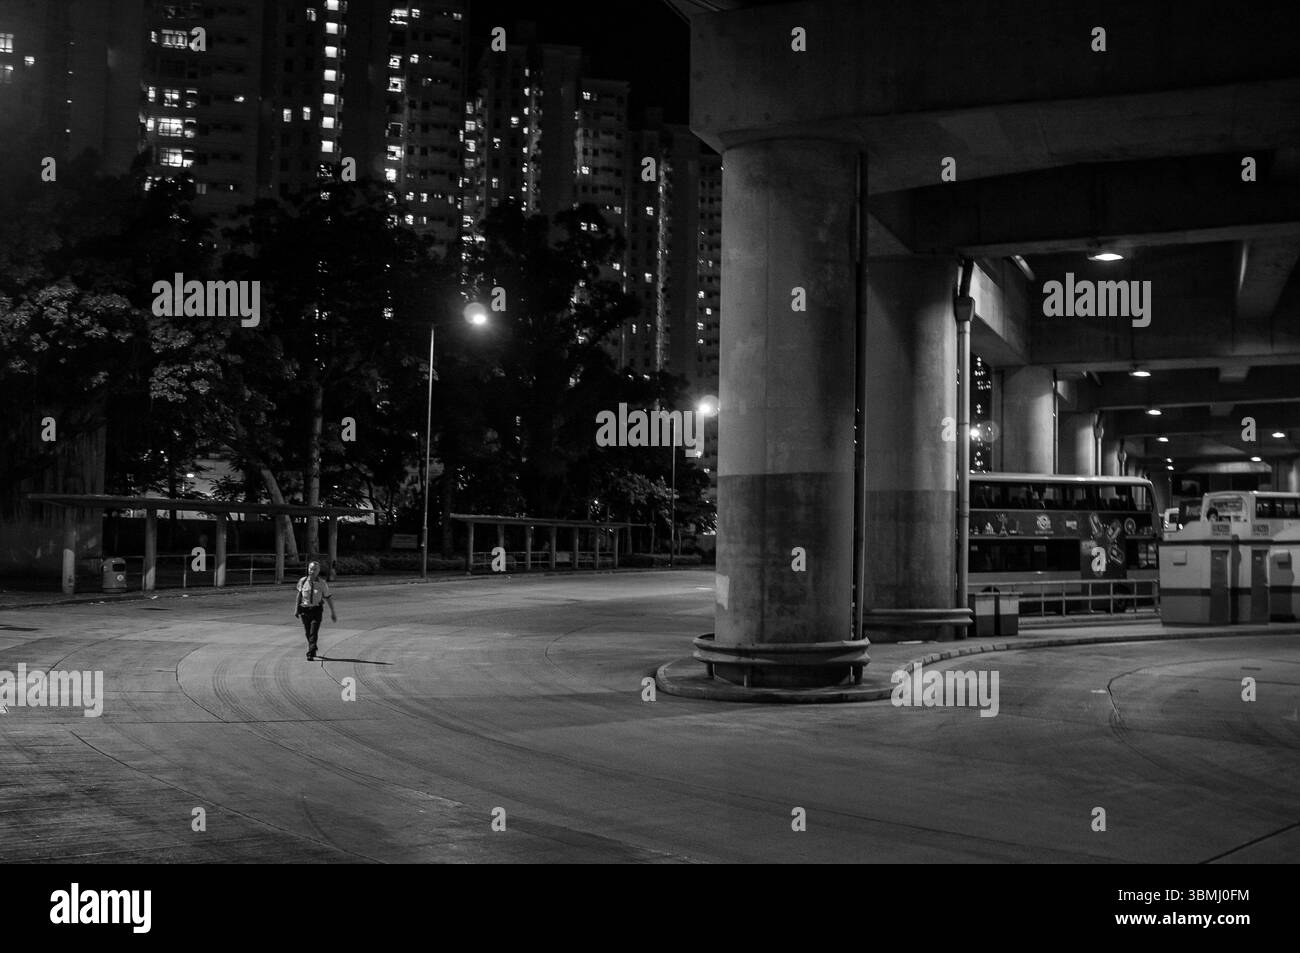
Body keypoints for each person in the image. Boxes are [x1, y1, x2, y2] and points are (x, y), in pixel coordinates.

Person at [295, 560, 336, 660]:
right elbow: (299, 595)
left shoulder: (322, 584)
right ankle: (313, 646)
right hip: (304, 610)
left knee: (313, 632)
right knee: (307, 632)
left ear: (318, 571)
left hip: (316, 611)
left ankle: (310, 652)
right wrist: (296, 609)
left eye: (314, 569)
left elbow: (328, 598)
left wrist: (332, 612)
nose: (311, 571)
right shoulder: (302, 581)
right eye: (310, 568)